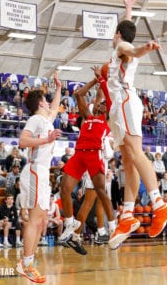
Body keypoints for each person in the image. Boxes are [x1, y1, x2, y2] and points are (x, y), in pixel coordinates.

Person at [94, 0, 167, 249]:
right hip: (118, 108)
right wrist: (128, 10)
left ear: (116, 34)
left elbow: (130, 47)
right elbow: (127, 35)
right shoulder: (120, 42)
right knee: (127, 161)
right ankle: (127, 214)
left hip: (126, 103)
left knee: (136, 155)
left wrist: (144, 48)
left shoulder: (121, 46)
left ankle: (159, 203)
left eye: (115, 32)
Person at [58, 75, 116, 250]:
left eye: (103, 105)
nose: (100, 105)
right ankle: (70, 224)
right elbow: (79, 94)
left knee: (99, 193)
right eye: (99, 104)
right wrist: (94, 80)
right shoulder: (88, 117)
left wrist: (103, 82)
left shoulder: (108, 120)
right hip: (79, 154)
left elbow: (108, 98)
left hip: (94, 155)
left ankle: (111, 227)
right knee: (64, 188)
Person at [16, 73, 62, 283]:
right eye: (46, 98)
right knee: (34, 221)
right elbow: (23, 141)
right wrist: (47, 139)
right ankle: (25, 264)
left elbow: (54, 109)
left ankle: (29, 262)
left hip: (43, 172)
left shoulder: (45, 118)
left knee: (42, 220)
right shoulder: (35, 119)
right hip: (35, 170)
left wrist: (59, 87)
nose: (48, 101)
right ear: (40, 102)